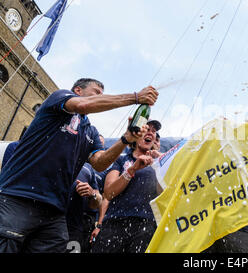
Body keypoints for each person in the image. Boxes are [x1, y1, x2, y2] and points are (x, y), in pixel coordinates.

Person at [0, 78, 158, 253]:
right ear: (78, 91)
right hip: (19, 198)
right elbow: (82, 105)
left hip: (55, 211)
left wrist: (126, 139)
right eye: (97, 92)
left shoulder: (90, 131)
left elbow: (99, 163)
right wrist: (136, 97)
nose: (101, 96)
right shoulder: (59, 98)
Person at [91, 120, 161, 253]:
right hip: (114, 223)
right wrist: (132, 170)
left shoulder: (158, 164)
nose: (150, 133)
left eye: (154, 131)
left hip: (145, 226)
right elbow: (109, 193)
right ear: (136, 135)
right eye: (147, 129)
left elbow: (162, 194)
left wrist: (160, 164)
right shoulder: (121, 160)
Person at [65, 162, 102, 253]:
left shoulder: (87, 167)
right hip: (48, 223)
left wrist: (92, 194)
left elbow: (96, 203)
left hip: (74, 228)